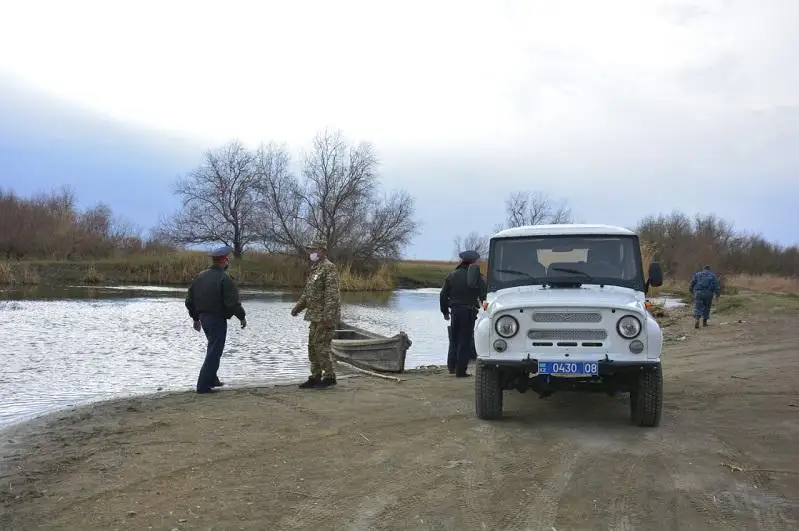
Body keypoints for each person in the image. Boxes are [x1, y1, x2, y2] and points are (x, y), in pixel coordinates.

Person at [185, 245, 247, 394]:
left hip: (204, 319)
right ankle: (203, 386)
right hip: (217, 319)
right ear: (224, 260)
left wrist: (196, 318)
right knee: (214, 351)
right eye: (228, 259)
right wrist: (242, 317)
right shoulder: (225, 278)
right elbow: (232, 303)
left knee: (212, 348)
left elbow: (189, 301)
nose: (228, 261)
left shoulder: (200, 276)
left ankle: (213, 379)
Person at [291, 238, 341, 389]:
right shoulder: (315, 269)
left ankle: (329, 376)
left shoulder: (329, 268)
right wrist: (298, 307)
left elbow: (332, 295)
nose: (311, 252)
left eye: (314, 250)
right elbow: (308, 293)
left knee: (321, 346)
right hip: (314, 316)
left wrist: (328, 317)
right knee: (312, 347)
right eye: (310, 250)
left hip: (324, 317)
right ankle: (315, 376)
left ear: (322, 251)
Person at [440, 250, 486, 377]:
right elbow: (484, 297)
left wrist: (445, 312)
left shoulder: (452, 276)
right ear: (474, 261)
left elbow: (443, 295)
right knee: (464, 341)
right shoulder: (478, 277)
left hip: (455, 311)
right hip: (469, 312)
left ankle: (451, 367)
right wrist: (487, 310)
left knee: (454, 339)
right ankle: (460, 371)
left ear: (462, 261)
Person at [689, 264, 721, 329]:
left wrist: (691, 290)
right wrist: (717, 295)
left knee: (698, 307)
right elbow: (716, 286)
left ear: (703, 269)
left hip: (699, 293)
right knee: (707, 307)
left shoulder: (697, 274)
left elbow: (692, 283)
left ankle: (697, 319)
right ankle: (704, 322)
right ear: (709, 269)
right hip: (709, 294)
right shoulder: (713, 276)